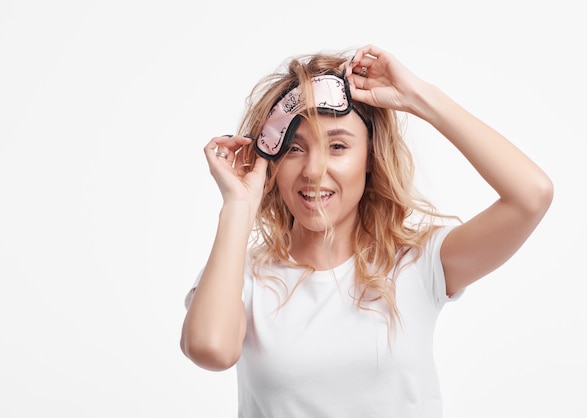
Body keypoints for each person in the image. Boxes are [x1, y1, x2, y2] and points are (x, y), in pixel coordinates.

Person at [180, 44, 553, 418]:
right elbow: (210, 349)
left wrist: (419, 97)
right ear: (272, 162)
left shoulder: (416, 264)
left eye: (338, 145)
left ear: (370, 156)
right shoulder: (240, 277)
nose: (314, 169)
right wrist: (238, 206)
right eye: (294, 148)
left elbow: (531, 195)